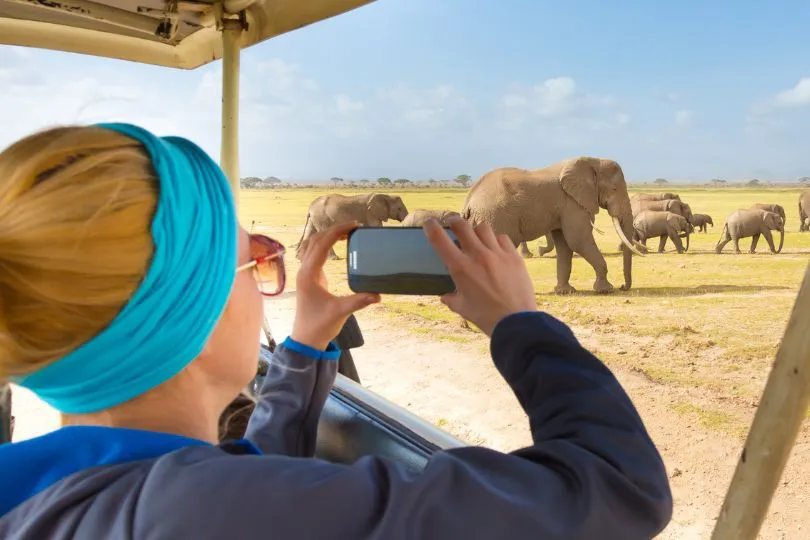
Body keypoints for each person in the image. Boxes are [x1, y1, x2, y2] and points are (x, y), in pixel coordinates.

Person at [0, 123, 672, 539]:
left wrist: (304, 346)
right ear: (190, 316)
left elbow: (249, 478)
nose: (270, 273)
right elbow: (621, 486)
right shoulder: (200, 513)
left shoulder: (47, 489)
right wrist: (521, 324)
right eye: (251, 260)